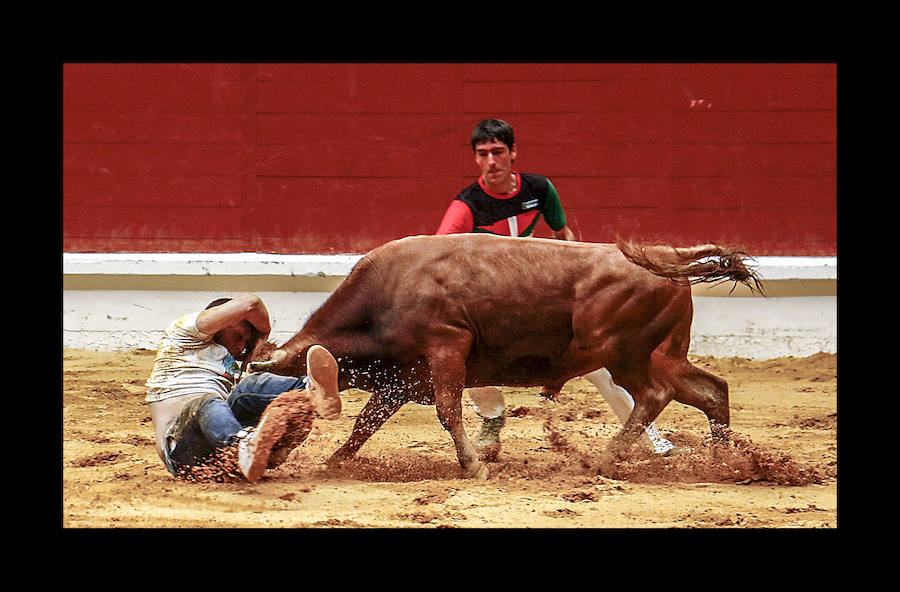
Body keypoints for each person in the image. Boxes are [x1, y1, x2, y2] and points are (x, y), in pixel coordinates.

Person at [436, 118, 675, 459]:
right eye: (483, 154)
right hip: (490, 307)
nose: (491, 161)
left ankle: (652, 439)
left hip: (537, 300)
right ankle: (492, 417)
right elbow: (439, 256)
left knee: (600, 367)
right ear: (475, 159)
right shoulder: (466, 206)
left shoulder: (539, 190)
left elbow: (565, 240)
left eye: (498, 152)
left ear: (513, 152)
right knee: (466, 361)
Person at [144, 294, 341, 482]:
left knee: (249, 387)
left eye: (246, 343)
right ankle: (243, 448)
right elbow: (251, 303)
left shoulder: (227, 367)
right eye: (240, 336)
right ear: (222, 320)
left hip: (220, 455)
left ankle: (309, 392)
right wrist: (261, 337)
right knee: (205, 403)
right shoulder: (182, 333)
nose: (241, 347)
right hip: (181, 453)